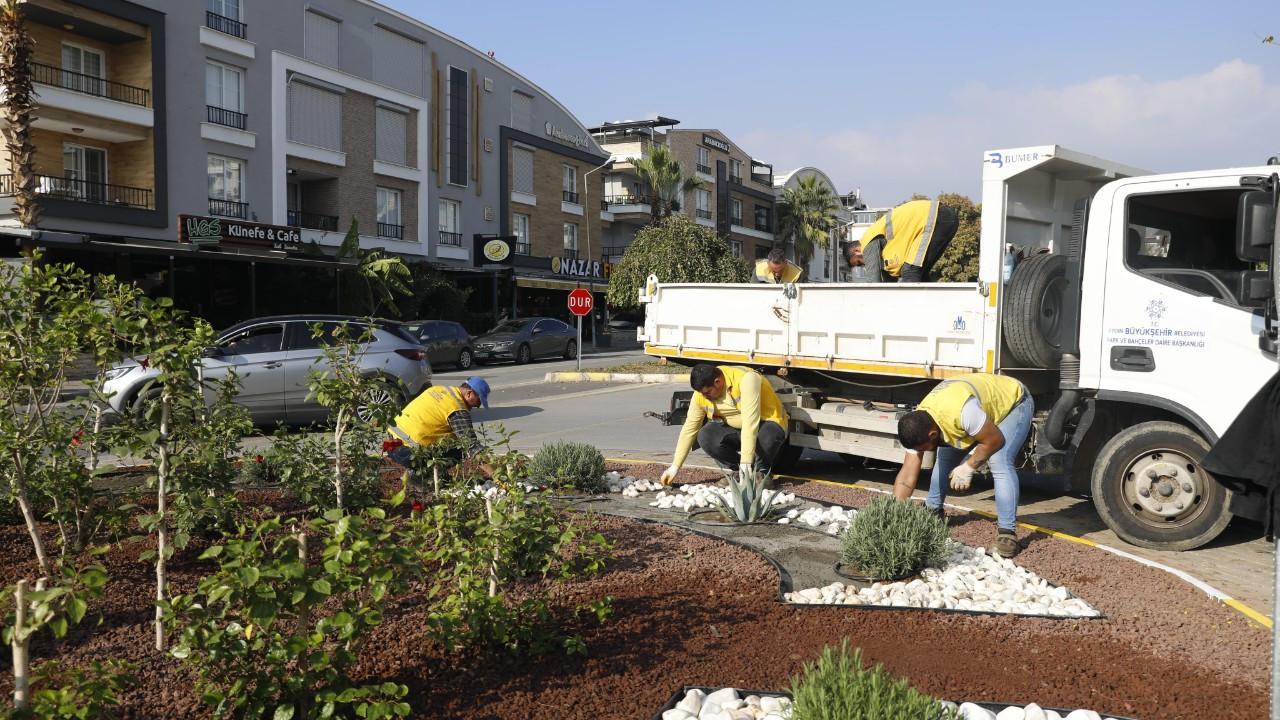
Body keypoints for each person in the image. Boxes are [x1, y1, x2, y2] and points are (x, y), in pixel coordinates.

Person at [893, 373, 1033, 558]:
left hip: (1012, 403)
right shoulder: (920, 422)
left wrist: (968, 467)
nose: (923, 452)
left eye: (924, 448)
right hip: (969, 411)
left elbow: (993, 440)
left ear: (933, 434)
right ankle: (934, 511)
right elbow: (907, 475)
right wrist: (893, 514)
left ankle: (1008, 535)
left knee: (999, 460)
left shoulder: (963, 413)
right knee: (944, 457)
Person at [659, 364, 790, 486]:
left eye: (707, 392)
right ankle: (737, 470)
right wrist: (674, 467)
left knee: (768, 434)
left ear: (717, 382)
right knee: (706, 436)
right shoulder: (700, 395)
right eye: (701, 393)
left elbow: (750, 422)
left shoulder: (747, 379)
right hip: (738, 429)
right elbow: (689, 429)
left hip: (765, 423)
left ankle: (761, 472)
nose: (704, 396)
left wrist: (746, 462)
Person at [387, 376, 492, 474]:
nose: (478, 406)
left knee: (452, 439)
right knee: (461, 449)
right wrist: (497, 477)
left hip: (389, 444)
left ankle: (429, 474)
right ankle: (420, 476)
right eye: (479, 401)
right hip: (406, 454)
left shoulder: (438, 389)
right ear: (469, 393)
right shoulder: (457, 409)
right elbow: (472, 446)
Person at [858, 199, 959, 282]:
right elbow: (889, 281)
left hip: (934, 218)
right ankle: (929, 304)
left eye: (858, 262)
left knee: (910, 271)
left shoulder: (867, 241)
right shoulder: (880, 240)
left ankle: (915, 306)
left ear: (856, 251)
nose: (864, 264)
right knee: (920, 273)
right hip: (943, 217)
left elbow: (873, 281)